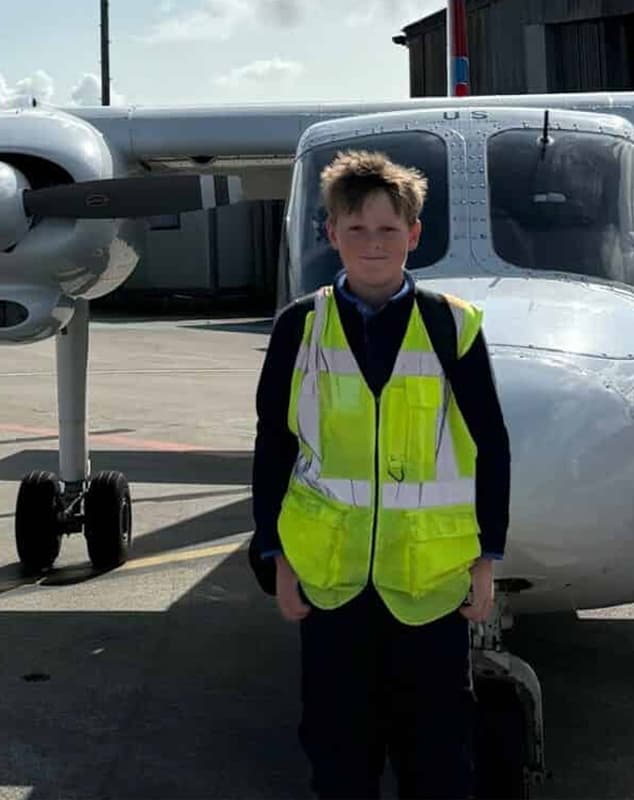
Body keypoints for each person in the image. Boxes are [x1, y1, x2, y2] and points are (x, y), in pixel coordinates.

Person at [250, 150, 510, 799]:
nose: (373, 244)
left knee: (440, 757)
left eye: (389, 229)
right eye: (356, 229)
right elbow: (274, 445)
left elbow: (491, 444)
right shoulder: (298, 328)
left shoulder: (453, 326)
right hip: (332, 584)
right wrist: (274, 553)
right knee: (339, 755)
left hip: (428, 584)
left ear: (414, 235)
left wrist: (487, 557)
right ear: (331, 233)